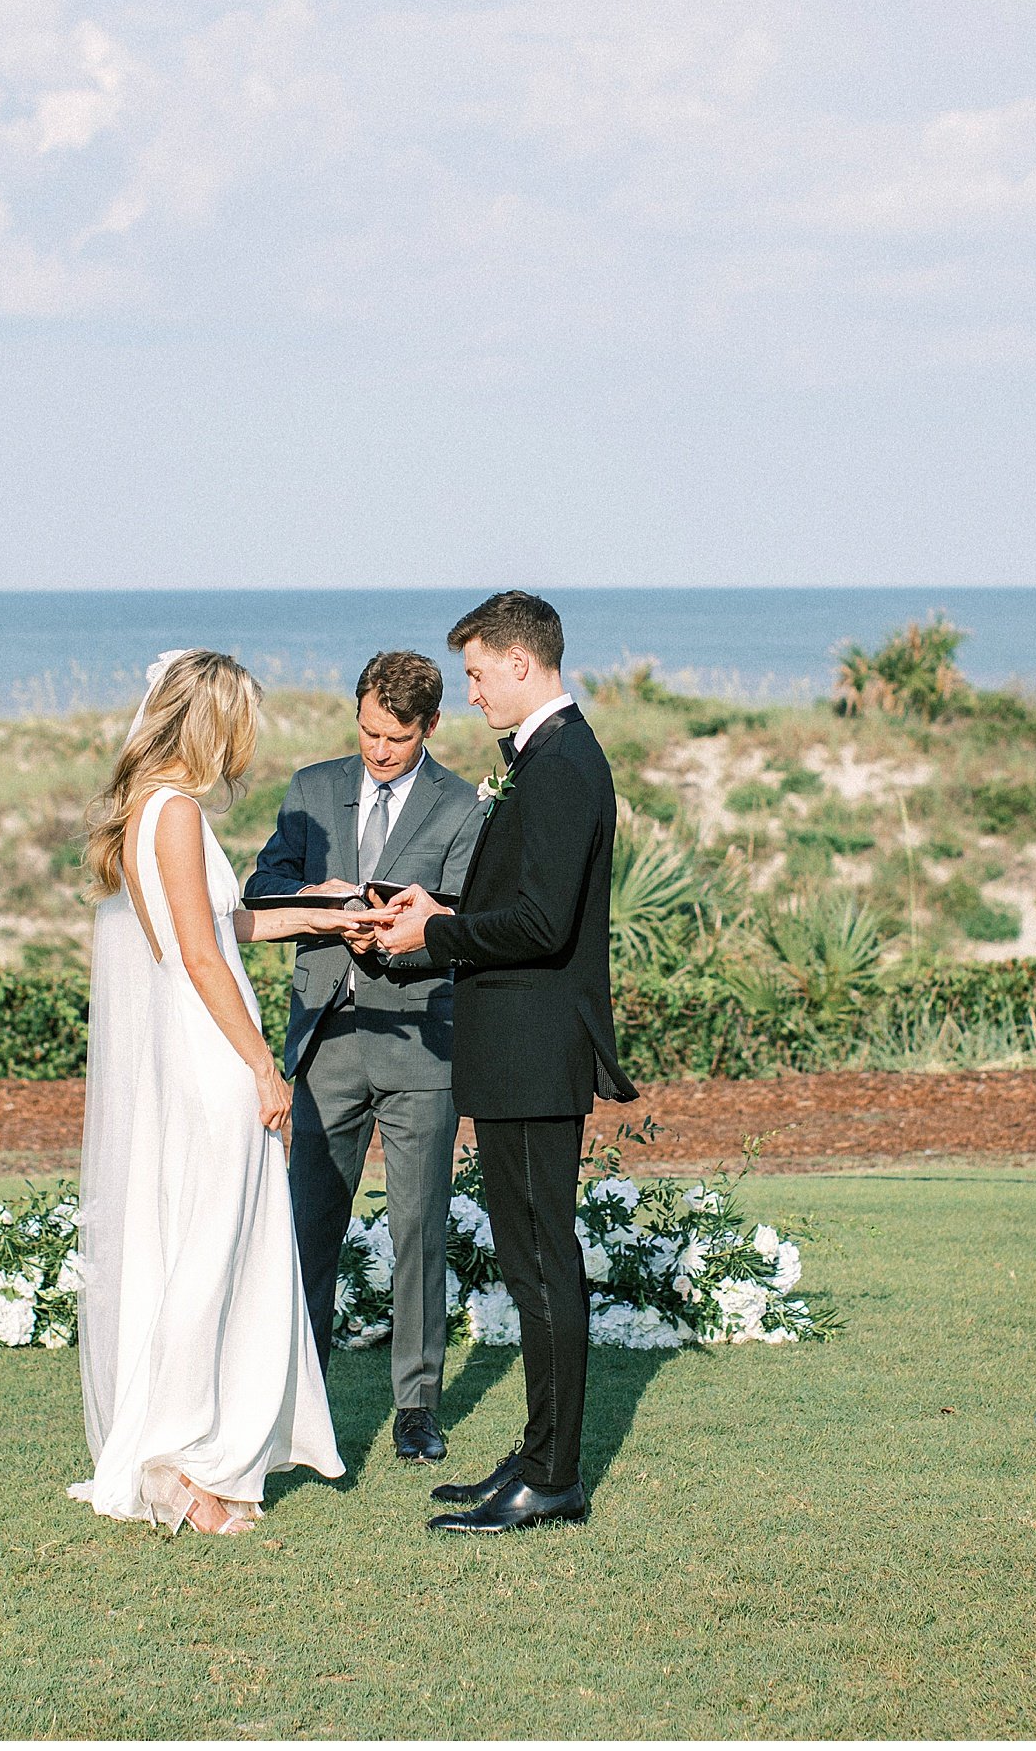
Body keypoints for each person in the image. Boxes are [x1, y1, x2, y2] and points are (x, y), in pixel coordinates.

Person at [366, 591, 638, 1535]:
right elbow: (512, 898)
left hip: (535, 1049)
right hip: (515, 1047)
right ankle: (534, 1456)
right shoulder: (544, 759)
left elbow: (540, 923)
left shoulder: (564, 765)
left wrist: (437, 933)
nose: (472, 692)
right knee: (526, 1258)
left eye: (479, 673)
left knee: (541, 1260)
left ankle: (555, 1476)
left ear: (523, 664)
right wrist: (432, 904)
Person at [73, 649, 353, 1534]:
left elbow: (219, 927)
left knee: (199, 1249)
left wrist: (325, 909)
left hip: (184, 1061)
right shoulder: (179, 813)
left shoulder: (143, 811)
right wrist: (264, 1068)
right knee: (212, 1257)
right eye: (240, 724)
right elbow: (199, 959)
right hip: (212, 1061)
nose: (248, 743)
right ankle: (182, 1459)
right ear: (212, 722)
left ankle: (180, 1449)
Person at [244, 649, 482, 1465]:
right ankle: (296, 1402)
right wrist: (317, 905)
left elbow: (460, 930)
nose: (379, 750)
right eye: (370, 731)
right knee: (310, 1227)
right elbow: (261, 887)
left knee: (419, 1227)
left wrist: (387, 934)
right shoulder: (311, 787)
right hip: (326, 1043)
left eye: (398, 737)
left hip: (421, 1041)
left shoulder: (462, 808)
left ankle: (417, 1408)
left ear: (430, 727)